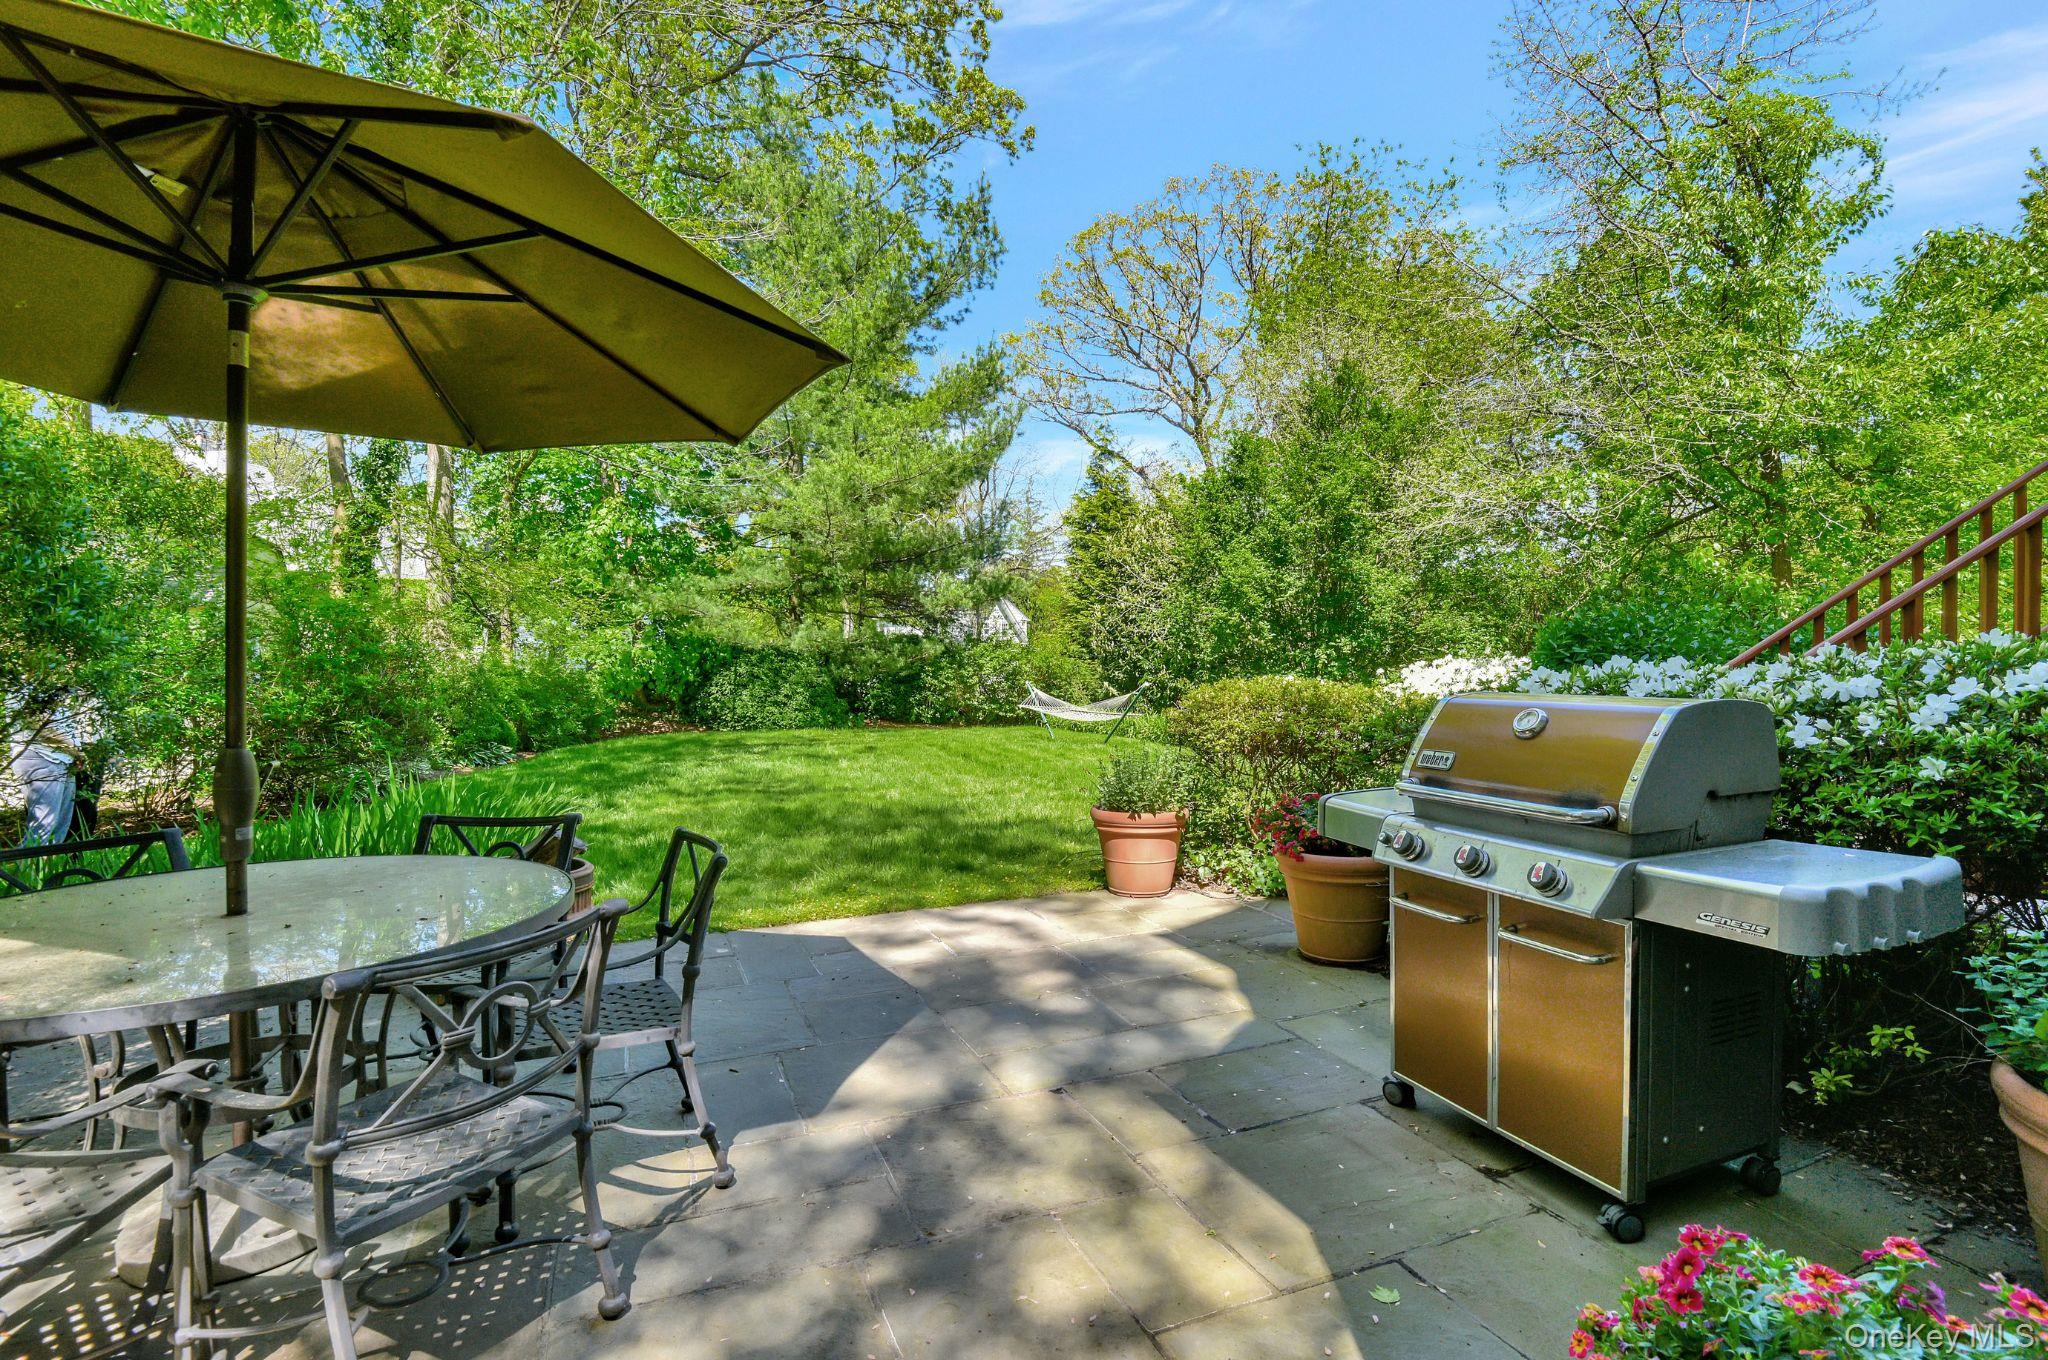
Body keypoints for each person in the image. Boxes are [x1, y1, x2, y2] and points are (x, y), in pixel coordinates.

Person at [8, 707, 84, 847]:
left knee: (59, 828)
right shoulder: (29, 689)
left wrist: (74, 753)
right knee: (42, 829)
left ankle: (47, 868)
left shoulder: (57, 689)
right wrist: (75, 750)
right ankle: (23, 867)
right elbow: (39, 725)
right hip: (40, 756)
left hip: (64, 758)